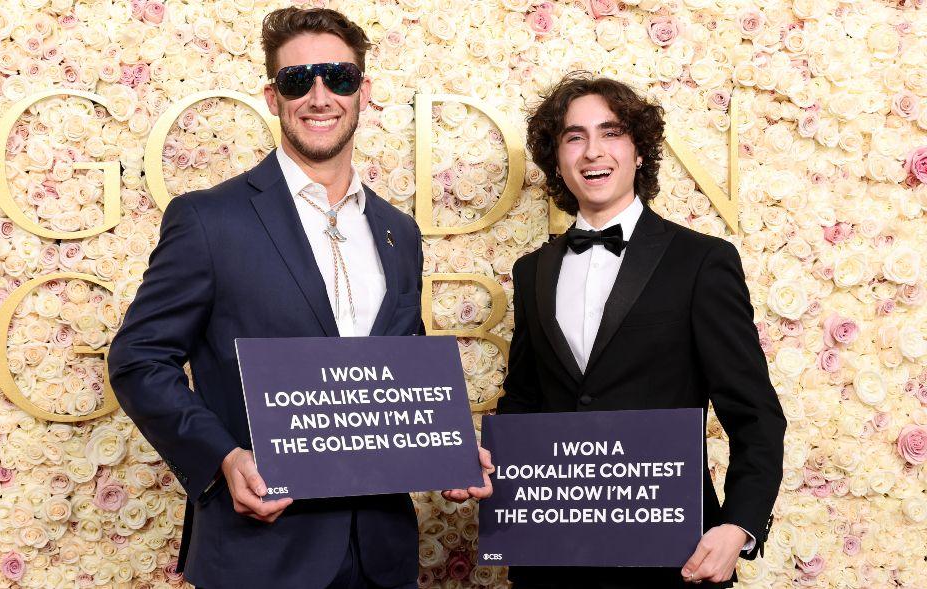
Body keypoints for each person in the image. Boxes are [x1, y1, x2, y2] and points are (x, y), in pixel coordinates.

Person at [108, 7, 490, 589]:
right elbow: (138, 360)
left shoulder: (398, 231)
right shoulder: (210, 220)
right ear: (272, 95)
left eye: (337, 78)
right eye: (296, 80)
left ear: (363, 91)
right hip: (261, 554)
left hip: (382, 557)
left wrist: (449, 452)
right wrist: (223, 459)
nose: (319, 96)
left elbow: (397, 374)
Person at [498, 73, 786, 588]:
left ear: (638, 152)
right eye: (573, 137)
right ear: (557, 159)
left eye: (610, 133)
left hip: (676, 560)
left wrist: (738, 525)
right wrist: (484, 463)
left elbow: (755, 413)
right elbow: (523, 400)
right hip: (550, 557)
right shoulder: (531, 271)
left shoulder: (701, 262)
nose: (592, 152)